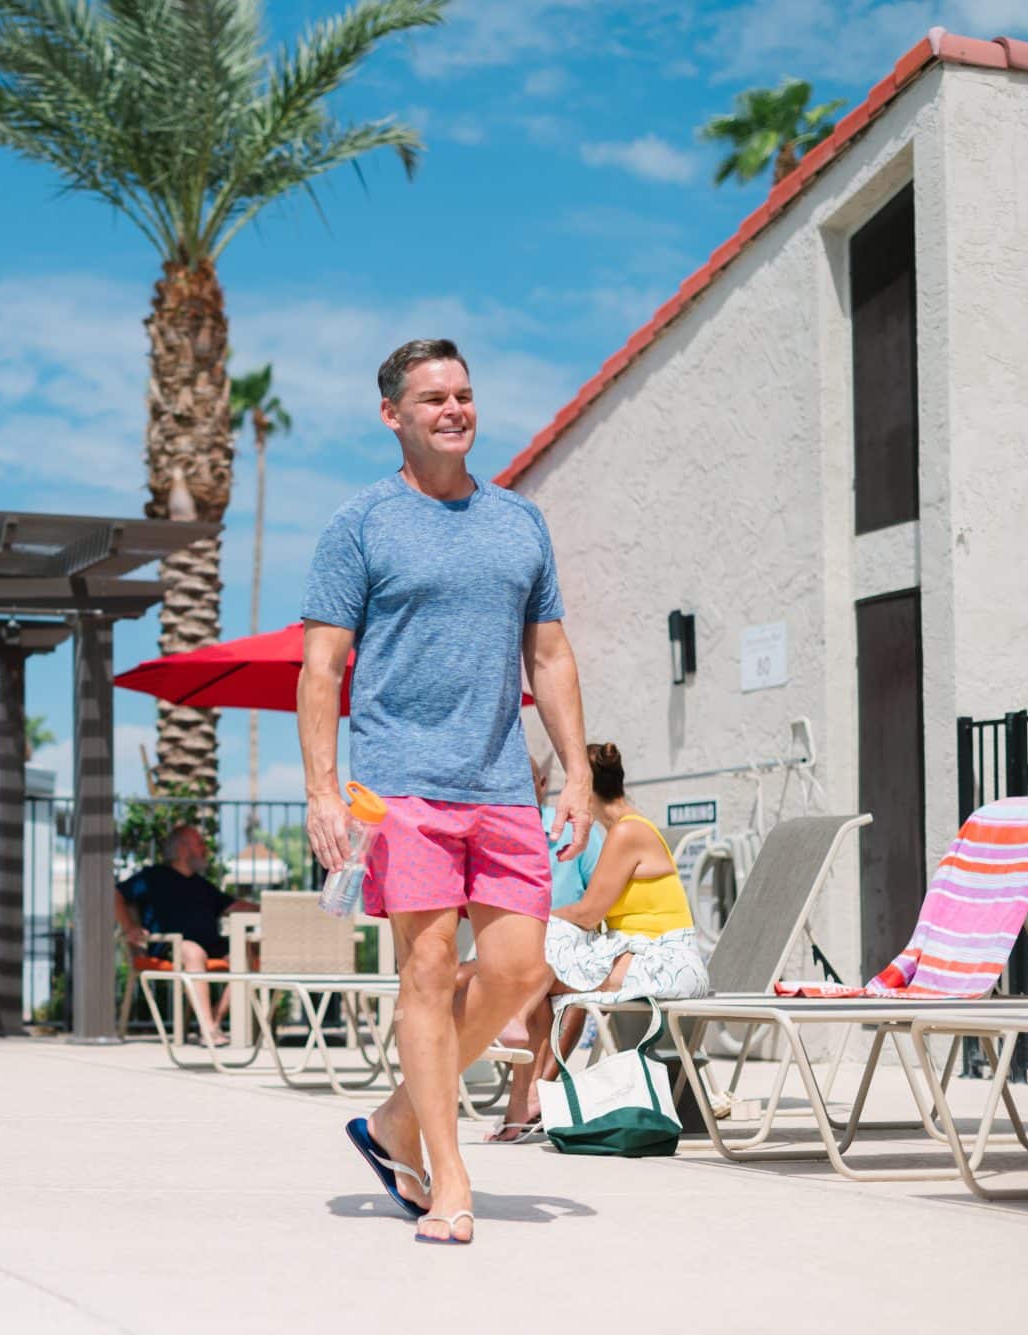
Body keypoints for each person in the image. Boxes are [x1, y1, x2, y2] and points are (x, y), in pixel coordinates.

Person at [300, 338, 592, 1246]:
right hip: (399, 783)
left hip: (503, 781)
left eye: (463, 393)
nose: (454, 409)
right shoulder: (360, 524)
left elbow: (547, 654)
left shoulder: (520, 523)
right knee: (425, 972)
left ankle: (392, 1122)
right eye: (433, 398)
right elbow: (322, 669)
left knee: (520, 967)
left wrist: (577, 770)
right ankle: (448, 1170)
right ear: (393, 415)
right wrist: (321, 790)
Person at [486, 752, 604, 1142]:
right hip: (521, 944)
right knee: (531, 964)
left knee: (546, 966)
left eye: (527, 779)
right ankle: (529, 1096)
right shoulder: (494, 831)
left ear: (541, 784)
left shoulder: (573, 829)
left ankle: (532, 1093)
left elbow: (601, 901)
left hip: (571, 937)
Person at [542, 743, 709, 1013]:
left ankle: (532, 1053)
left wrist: (532, 919)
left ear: (587, 787)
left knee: (541, 977)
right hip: (643, 955)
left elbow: (588, 914)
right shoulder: (623, 830)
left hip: (668, 964)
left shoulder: (627, 833)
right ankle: (540, 1056)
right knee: (543, 974)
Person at [115, 824, 258, 1042]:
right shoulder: (152, 877)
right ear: (182, 849)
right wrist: (129, 928)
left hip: (210, 946)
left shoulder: (202, 885)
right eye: (200, 843)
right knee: (193, 951)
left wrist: (270, 906)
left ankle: (214, 1021)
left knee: (245, 952)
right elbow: (116, 894)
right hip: (171, 947)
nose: (205, 849)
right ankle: (209, 1030)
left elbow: (234, 906)